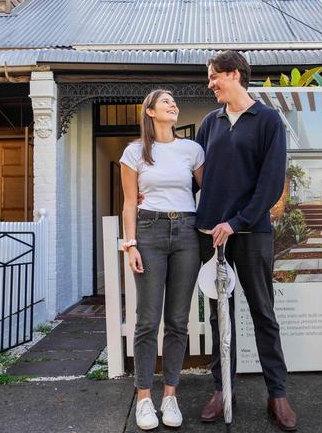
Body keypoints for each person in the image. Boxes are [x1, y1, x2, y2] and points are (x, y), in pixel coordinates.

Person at [195, 50, 298, 431]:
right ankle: (224, 389)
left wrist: (236, 222)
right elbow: (199, 174)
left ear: (234, 74)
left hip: (251, 234)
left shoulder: (268, 120)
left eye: (213, 77)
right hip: (213, 236)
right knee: (220, 316)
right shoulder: (210, 122)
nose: (209, 84)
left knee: (263, 314)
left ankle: (277, 394)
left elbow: (271, 184)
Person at [119, 89, 205, 431]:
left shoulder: (193, 149)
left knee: (178, 321)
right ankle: (143, 397)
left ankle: (170, 394)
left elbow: (209, 191)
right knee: (147, 320)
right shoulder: (134, 152)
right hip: (150, 232)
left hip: (187, 231)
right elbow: (128, 203)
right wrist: (131, 244)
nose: (172, 104)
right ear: (150, 111)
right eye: (165, 101)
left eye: (174, 101)